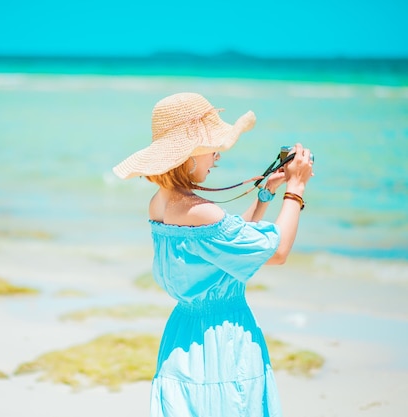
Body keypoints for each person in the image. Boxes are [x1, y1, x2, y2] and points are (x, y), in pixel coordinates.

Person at [112, 92, 313, 417]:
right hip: (221, 340)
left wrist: (265, 194)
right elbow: (277, 252)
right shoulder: (198, 211)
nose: (217, 155)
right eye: (212, 148)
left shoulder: (161, 202)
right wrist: (296, 189)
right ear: (188, 155)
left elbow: (224, 248)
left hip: (183, 337)